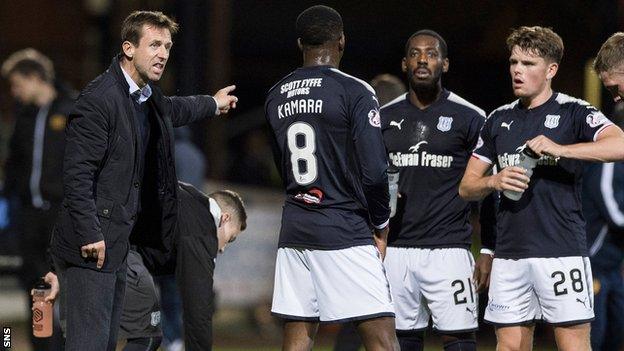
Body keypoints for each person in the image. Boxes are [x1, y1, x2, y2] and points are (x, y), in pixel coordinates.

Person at [49, 10, 238, 351]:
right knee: (88, 345)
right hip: (91, 245)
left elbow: (173, 110)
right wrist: (91, 233)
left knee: (108, 343)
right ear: (128, 48)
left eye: (167, 46)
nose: (163, 53)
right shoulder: (99, 99)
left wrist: (212, 103)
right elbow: (77, 175)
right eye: (154, 44)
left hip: (118, 243)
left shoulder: (144, 96)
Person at [459, 26, 624, 351]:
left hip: (562, 253)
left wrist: (560, 149)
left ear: (551, 70)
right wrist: (494, 180)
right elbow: (466, 187)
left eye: (528, 63)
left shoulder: (575, 112)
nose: (517, 70)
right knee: (508, 346)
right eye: (514, 62)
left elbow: (619, 143)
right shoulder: (497, 119)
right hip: (510, 256)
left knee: (573, 344)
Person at [265, 5, 399, 351]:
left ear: (300, 43)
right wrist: (381, 221)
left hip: (295, 224)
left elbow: (282, 166)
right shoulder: (355, 91)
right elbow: (373, 169)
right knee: (381, 334)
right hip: (342, 225)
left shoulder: (276, 94)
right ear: (341, 41)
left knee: (299, 330)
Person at [380, 29, 492, 351]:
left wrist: (487, 249)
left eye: (431, 53)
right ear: (404, 64)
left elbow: (488, 188)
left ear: (445, 63)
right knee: (402, 340)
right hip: (397, 250)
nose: (423, 59)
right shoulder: (385, 118)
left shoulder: (471, 117)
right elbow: (370, 181)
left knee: (459, 338)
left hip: (450, 249)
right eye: (415, 53)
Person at [42, 182, 247, 351]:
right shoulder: (203, 226)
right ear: (224, 218)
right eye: (231, 238)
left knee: (88, 338)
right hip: (112, 249)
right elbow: (198, 306)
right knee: (147, 333)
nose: (223, 249)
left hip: (78, 242)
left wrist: (54, 263)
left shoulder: (184, 193)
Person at [1, 48, 74, 351]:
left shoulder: (73, 109)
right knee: (34, 288)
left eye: (18, 84)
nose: (15, 92)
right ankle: (43, 346)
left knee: (62, 289)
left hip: (60, 216)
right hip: (29, 217)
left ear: (35, 77)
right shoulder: (25, 117)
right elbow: (15, 165)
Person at [333, 73, 407, 351]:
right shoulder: (372, 132)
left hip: (353, 234)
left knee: (358, 316)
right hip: (376, 235)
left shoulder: (348, 131)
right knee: (376, 320)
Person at [586, 32, 624, 351]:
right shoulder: (615, 127)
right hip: (599, 258)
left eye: (615, 87)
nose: (614, 97)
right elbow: (605, 192)